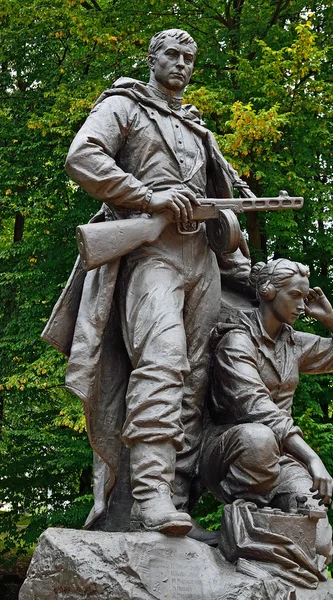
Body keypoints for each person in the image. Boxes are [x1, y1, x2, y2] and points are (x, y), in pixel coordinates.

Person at [42, 29, 253, 538]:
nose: (181, 64)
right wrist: (149, 197)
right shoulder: (126, 106)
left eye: (189, 57)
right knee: (162, 362)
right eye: (172, 55)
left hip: (200, 260)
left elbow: (223, 201)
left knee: (195, 381)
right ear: (152, 58)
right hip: (148, 254)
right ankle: (149, 498)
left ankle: (176, 500)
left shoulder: (199, 128)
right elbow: (84, 157)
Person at [202, 258, 333, 564]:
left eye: (304, 298)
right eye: (294, 295)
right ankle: (248, 516)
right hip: (230, 449)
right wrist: (312, 457)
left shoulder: (293, 343)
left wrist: (331, 318)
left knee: (317, 542)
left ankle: (272, 543)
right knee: (260, 438)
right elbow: (255, 406)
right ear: (267, 291)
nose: (302, 306)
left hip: (282, 456)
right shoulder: (236, 341)